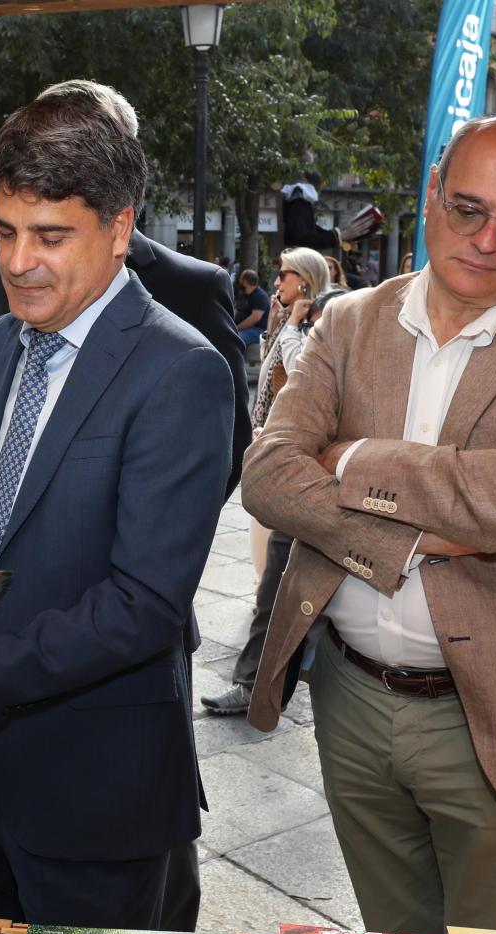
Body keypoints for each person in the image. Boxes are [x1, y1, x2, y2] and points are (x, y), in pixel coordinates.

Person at [240, 115, 496, 934]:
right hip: (348, 696)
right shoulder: (348, 322)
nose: (487, 240)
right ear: (431, 196)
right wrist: (425, 535)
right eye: (467, 209)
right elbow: (269, 476)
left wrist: (349, 460)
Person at [0, 82, 234, 930]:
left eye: (51, 235)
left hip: (98, 785)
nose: (20, 261)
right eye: (6, 232)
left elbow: (143, 606)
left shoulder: (181, 372)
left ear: (119, 227)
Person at [202, 269, 337, 718]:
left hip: (330, 497)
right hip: (293, 485)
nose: (277, 281)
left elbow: (297, 372)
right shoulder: (298, 323)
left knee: (314, 603)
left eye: (286, 274)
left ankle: (294, 671)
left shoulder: (330, 333)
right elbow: (275, 368)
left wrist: (299, 327)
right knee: (273, 591)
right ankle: (252, 682)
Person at [233, 269, 273, 353]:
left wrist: (236, 328)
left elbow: (255, 318)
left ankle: (237, 365)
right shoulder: (244, 295)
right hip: (243, 328)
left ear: (245, 281)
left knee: (238, 338)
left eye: (241, 279)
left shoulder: (260, 296)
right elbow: (236, 311)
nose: (239, 281)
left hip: (258, 329)